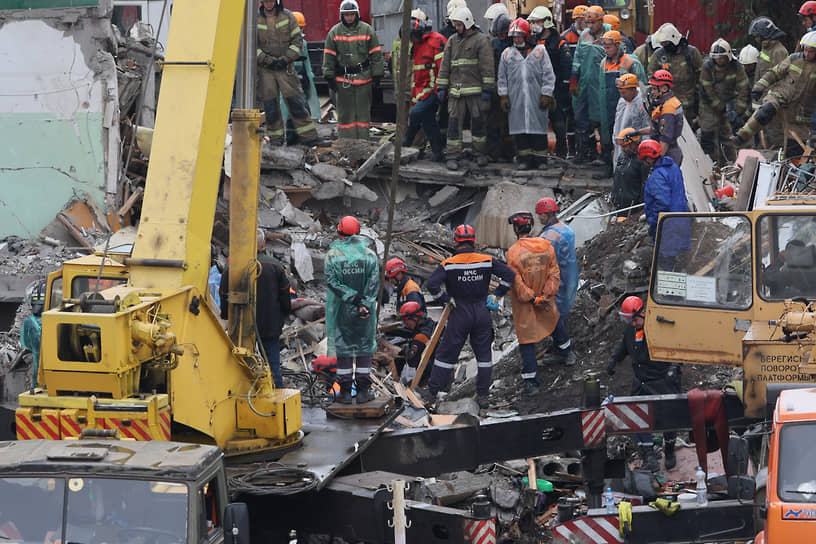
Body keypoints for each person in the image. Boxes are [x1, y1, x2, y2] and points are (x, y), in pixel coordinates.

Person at [423, 224, 515, 408]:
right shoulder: (486, 260)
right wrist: (496, 295)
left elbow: (432, 284)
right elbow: (509, 275)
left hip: (460, 312)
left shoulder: (449, 264)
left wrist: (445, 299)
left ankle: (432, 393)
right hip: (482, 311)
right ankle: (483, 396)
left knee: (447, 355)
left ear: (456, 242)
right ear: (473, 241)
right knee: (484, 356)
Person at [607, 296, 681, 472]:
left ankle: (669, 449)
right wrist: (613, 361)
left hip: (662, 381)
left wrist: (674, 367)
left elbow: (677, 347)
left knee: (668, 418)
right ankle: (648, 455)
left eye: (634, 320)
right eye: (629, 320)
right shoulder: (631, 331)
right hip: (641, 382)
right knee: (636, 416)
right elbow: (623, 347)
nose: (632, 324)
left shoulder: (659, 328)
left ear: (643, 313)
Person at [219, 229, 292, 388]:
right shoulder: (275, 266)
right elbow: (285, 295)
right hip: (269, 324)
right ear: (263, 244)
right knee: (272, 364)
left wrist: (226, 315)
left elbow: (224, 293)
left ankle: (244, 394)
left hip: (241, 325)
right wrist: (285, 313)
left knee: (242, 364)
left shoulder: (233, 265)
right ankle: (276, 398)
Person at [324, 216, 380, 403]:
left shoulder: (333, 256)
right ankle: (364, 392)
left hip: (341, 311)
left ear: (340, 233)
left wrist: (351, 298)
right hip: (365, 311)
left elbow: (332, 282)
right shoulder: (370, 256)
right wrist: (363, 303)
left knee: (344, 350)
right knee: (364, 348)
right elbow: (374, 285)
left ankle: (346, 392)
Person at [733, 31, 816, 154]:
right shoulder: (794, 59)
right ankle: (740, 137)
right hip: (780, 97)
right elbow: (774, 73)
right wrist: (759, 87)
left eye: (811, 51)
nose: (807, 54)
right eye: (806, 50)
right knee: (765, 111)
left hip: (799, 115)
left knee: (794, 153)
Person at [506, 212, 561, 396]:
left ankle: (532, 383)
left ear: (516, 228)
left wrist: (532, 298)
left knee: (527, 341)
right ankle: (567, 351)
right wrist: (545, 294)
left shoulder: (514, 252)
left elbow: (517, 283)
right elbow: (554, 273)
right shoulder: (546, 246)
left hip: (525, 305)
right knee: (553, 321)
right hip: (545, 298)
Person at [437, 6, 496, 170]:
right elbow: (445, 66)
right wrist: (441, 86)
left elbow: (487, 67)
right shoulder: (452, 41)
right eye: (455, 24)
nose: (456, 28)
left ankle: (480, 154)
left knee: (478, 124)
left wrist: (487, 89)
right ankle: (453, 155)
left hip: (476, 92)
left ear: (467, 23)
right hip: (456, 91)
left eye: (458, 24)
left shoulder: (481, 40)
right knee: (453, 125)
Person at [256, 0, 318, 146]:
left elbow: (297, 42)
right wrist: (267, 60)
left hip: (286, 68)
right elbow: (252, 45)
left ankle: (309, 137)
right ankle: (276, 139)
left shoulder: (288, 16)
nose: (269, 4)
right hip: (266, 69)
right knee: (270, 106)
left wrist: (285, 59)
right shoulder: (255, 19)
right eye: (266, 1)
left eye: (271, 1)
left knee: (296, 102)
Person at [498, 18, 556, 170]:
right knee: (520, 131)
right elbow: (502, 77)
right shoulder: (507, 54)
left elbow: (548, 74)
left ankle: (541, 160)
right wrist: (503, 95)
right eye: (514, 36)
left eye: (519, 36)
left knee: (538, 130)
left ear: (526, 35)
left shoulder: (539, 51)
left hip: (536, 98)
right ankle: (524, 160)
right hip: (516, 100)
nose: (516, 39)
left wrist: (546, 94)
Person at [322, 0, 384, 140]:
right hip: (343, 82)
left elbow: (376, 55)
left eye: (352, 14)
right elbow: (328, 57)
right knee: (345, 116)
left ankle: (363, 143)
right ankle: (347, 145)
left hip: (364, 79)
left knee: (363, 115)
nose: (349, 17)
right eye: (346, 15)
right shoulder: (334, 32)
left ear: (357, 14)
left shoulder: (367, 30)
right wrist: (329, 76)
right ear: (341, 15)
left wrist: (377, 75)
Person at [597, 30, 645, 177]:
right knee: (608, 136)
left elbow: (642, 86)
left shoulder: (631, 62)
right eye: (604, 47)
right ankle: (609, 166)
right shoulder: (604, 63)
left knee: (627, 135)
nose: (606, 51)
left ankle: (629, 169)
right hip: (609, 106)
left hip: (628, 106)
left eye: (609, 47)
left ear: (618, 45)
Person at [536, 198, 578, 365]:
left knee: (551, 314)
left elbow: (543, 261)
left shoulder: (548, 236)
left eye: (540, 215)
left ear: (545, 215)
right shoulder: (566, 228)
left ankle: (564, 352)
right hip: (570, 276)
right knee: (561, 311)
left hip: (556, 279)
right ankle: (560, 346)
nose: (539, 218)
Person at [401, 16, 447, 161]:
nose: (410, 41)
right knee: (429, 122)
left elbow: (443, 68)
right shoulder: (417, 46)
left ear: (416, 34)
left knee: (415, 114)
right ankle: (437, 152)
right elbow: (418, 73)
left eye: (410, 38)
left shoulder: (436, 41)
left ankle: (407, 141)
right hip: (421, 90)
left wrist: (441, 88)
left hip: (434, 89)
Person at [530, 6, 573, 158]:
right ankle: (540, 154)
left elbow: (566, 66)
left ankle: (561, 152)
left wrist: (561, 88)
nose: (535, 25)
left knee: (558, 123)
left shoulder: (559, 42)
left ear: (546, 22)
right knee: (537, 123)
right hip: (536, 89)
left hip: (556, 90)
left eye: (537, 21)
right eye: (533, 22)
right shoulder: (532, 41)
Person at [698, 39, 750, 163]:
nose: (719, 60)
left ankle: (729, 163)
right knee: (708, 135)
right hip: (709, 106)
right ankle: (709, 163)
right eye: (716, 57)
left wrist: (737, 111)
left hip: (729, 103)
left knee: (728, 138)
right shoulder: (707, 67)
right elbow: (707, 90)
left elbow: (744, 89)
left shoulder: (736, 67)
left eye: (721, 57)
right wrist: (720, 107)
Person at [570, 5, 609, 163]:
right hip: (584, 84)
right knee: (581, 118)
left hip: (602, 85)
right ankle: (584, 152)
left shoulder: (610, 35)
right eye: (588, 22)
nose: (589, 26)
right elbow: (577, 58)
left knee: (602, 120)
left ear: (601, 21)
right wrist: (573, 79)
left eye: (593, 23)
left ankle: (605, 154)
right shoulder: (584, 35)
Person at [647, 23, 703, 124]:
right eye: (662, 44)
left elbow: (701, 76)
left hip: (687, 105)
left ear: (674, 40)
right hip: (666, 104)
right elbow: (651, 75)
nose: (664, 46)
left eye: (666, 43)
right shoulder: (659, 55)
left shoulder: (691, 53)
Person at [280, 11, 320, 145]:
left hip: (301, 80)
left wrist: (309, 78)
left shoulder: (303, 43)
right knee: (290, 111)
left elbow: (306, 62)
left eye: (301, 28)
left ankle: (305, 138)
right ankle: (291, 139)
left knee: (304, 109)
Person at [748, 16, 788, 148]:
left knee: (775, 138)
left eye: (758, 36)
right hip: (763, 103)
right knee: (763, 138)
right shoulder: (766, 49)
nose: (756, 39)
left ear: (765, 34)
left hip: (772, 105)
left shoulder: (779, 51)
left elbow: (781, 78)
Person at [639, 139, 688, 241]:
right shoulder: (672, 166)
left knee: (664, 253)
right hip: (681, 217)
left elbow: (663, 203)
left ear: (648, 158)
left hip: (667, 224)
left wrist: (653, 222)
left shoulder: (657, 176)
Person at [486, 13, 515, 161]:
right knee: (493, 123)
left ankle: (509, 154)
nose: (502, 36)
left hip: (513, 89)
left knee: (509, 124)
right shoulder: (493, 44)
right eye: (499, 34)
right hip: (496, 88)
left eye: (504, 33)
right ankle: (493, 153)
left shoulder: (515, 43)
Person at [646, 69, 684, 166]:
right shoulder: (667, 103)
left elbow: (665, 139)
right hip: (670, 151)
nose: (652, 92)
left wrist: (656, 162)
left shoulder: (668, 109)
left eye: (654, 88)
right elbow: (656, 129)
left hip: (667, 154)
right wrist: (636, 133)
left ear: (663, 88)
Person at [612, 73, 650, 164]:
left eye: (624, 93)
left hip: (633, 150)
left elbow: (646, 129)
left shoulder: (642, 104)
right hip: (620, 146)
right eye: (620, 93)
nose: (622, 96)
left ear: (633, 90)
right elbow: (617, 122)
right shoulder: (622, 101)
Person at [397, 301, 437, 385]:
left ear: (415, 318)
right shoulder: (430, 324)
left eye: (406, 320)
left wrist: (406, 349)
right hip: (436, 365)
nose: (405, 324)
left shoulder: (420, 337)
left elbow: (412, 361)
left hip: (428, 371)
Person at [611, 128, 649, 210]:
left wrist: (641, 207)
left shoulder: (643, 160)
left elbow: (645, 185)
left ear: (634, 143)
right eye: (622, 146)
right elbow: (617, 179)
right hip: (618, 204)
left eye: (625, 146)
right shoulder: (622, 157)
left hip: (632, 206)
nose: (623, 149)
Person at [21, 279, 46, 388]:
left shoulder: (28, 321)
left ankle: (36, 387)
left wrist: (35, 348)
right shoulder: (53, 319)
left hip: (36, 355)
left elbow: (25, 342)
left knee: (36, 373)